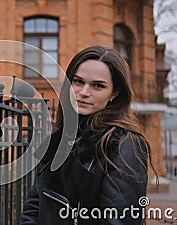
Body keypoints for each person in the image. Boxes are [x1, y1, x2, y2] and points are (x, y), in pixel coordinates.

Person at [19, 46, 157, 225]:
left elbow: (119, 221)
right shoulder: (59, 139)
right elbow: (34, 206)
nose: (84, 92)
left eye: (97, 85)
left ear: (114, 93)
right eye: (78, 81)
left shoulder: (124, 144)